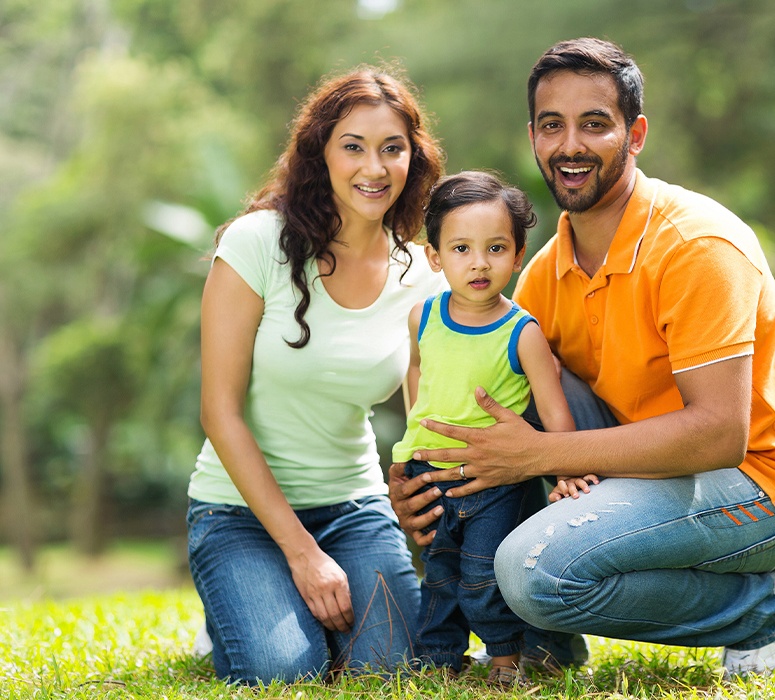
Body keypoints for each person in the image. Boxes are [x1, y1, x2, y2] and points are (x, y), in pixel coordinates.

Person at [388, 37, 775, 680]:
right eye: (552, 125)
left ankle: (762, 612)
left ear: (636, 133)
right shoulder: (541, 276)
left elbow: (720, 435)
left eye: (595, 124)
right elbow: (504, 416)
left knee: (533, 573)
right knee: (519, 372)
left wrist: (544, 456)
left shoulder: (697, 245)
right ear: (534, 137)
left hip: (755, 483)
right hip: (649, 470)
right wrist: (431, 479)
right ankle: (544, 651)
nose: (570, 145)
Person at [185, 64, 447, 685]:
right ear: (320, 155)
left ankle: (281, 608)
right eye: (352, 147)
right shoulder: (257, 244)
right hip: (237, 513)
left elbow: (426, 416)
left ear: (414, 158)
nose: (374, 168)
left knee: (388, 671)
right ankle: (246, 604)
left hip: (354, 508)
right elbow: (218, 411)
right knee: (286, 672)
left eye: (392, 149)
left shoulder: (424, 276)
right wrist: (302, 555)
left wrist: (423, 499)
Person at [390, 170, 591, 686]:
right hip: (432, 473)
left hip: (496, 481)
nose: (479, 263)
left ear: (519, 254)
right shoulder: (423, 317)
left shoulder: (522, 332)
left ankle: (505, 661)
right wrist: (416, 433)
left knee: (483, 575)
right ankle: (438, 661)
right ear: (435, 257)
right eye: (460, 248)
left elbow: (554, 411)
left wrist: (564, 470)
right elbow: (417, 368)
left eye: (496, 248)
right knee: (439, 573)